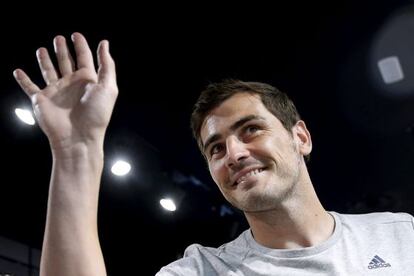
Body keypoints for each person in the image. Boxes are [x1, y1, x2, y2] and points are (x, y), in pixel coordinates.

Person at [13, 33, 414, 276]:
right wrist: (76, 152)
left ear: (301, 137)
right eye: (216, 148)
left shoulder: (400, 236)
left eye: (250, 129)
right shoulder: (204, 270)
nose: (234, 154)